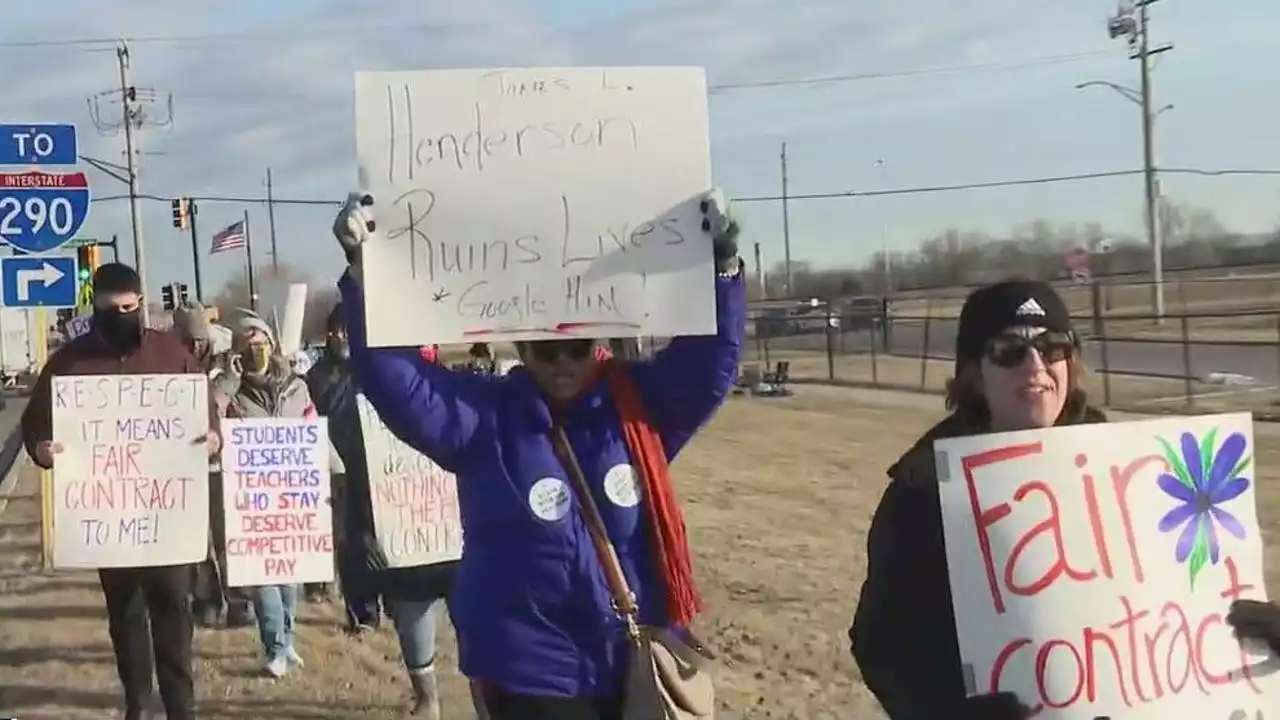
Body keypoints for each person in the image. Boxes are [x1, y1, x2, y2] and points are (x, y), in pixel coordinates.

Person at [331, 189, 743, 719]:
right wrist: (366, 273)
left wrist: (723, 269)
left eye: (578, 345)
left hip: (631, 658)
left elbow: (708, 370)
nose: (564, 362)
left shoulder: (637, 412)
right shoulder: (487, 418)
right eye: (546, 348)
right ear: (521, 348)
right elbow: (400, 384)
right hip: (530, 670)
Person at [849, 278, 1107, 720]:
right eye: (1008, 349)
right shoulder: (927, 488)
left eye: (1053, 347)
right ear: (974, 375)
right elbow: (882, 640)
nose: (1035, 364)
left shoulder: (1125, 466)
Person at [21, 263, 220, 720]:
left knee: (173, 611)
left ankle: (181, 706)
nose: (122, 316)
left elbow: (207, 413)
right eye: (111, 311)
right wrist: (44, 450)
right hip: (108, 519)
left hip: (165, 517)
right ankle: (139, 704)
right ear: (96, 310)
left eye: (130, 308)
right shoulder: (70, 363)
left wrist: (212, 437)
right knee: (126, 615)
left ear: (140, 303)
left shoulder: (171, 354)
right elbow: (35, 426)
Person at [309, 303, 484, 718]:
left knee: (478, 628)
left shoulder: (456, 389)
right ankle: (428, 698)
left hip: (457, 534)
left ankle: (485, 700)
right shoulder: (353, 398)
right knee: (412, 622)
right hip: (399, 533)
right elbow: (343, 452)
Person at [220, 308, 341, 678]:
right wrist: (226, 385)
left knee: (290, 576)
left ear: (272, 345)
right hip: (252, 498)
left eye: (260, 343)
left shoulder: (297, 385)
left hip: (292, 497)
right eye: (247, 345)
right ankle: (274, 646)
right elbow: (212, 423)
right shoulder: (229, 390)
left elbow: (310, 426)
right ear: (236, 352)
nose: (255, 349)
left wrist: (334, 467)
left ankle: (287, 642)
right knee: (261, 578)